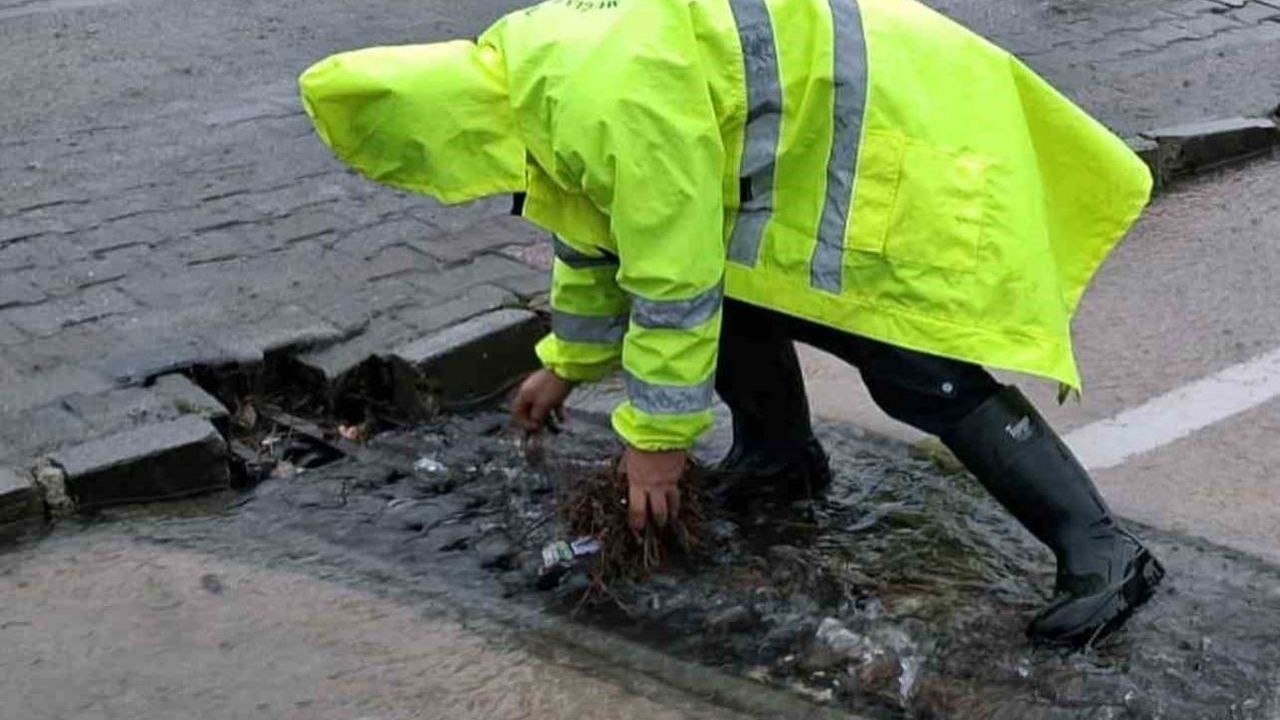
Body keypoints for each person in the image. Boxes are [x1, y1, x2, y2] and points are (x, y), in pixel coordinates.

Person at [299, 0, 1164, 645]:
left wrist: (656, 442)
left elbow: (673, 274)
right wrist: (568, 359)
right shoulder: (523, 72)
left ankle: (1102, 552)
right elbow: (598, 226)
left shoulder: (604, 98)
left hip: (894, 123)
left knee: (909, 359)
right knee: (744, 296)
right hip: (816, 127)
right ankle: (782, 460)